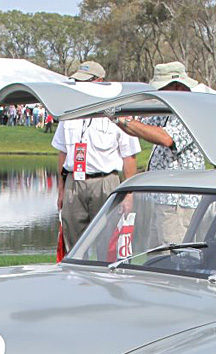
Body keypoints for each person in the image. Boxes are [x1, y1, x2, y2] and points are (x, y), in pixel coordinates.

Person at [114, 61, 207, 244]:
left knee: (173, 260)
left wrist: (124, 121)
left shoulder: (190, 109)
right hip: (164, 199)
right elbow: (142, 128)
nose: (159, 92)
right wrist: (118, 118)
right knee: (155, 258)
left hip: (179, 203)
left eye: (163, 87)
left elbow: (166, 139)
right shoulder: (168, 109)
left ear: (178, 86)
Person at [52, 61, 140, 251]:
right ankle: (73, 280)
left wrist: (129, 194)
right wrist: (61, 189)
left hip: (105, 183)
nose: (80, 85)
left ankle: (104, 280)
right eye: (77, 81)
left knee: (106, 243)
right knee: (72, 244)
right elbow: (62, 152)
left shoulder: (118, 112)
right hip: (73, 183)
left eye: (85, 81)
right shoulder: (70, 111)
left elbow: (129, 157)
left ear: (100, 81)